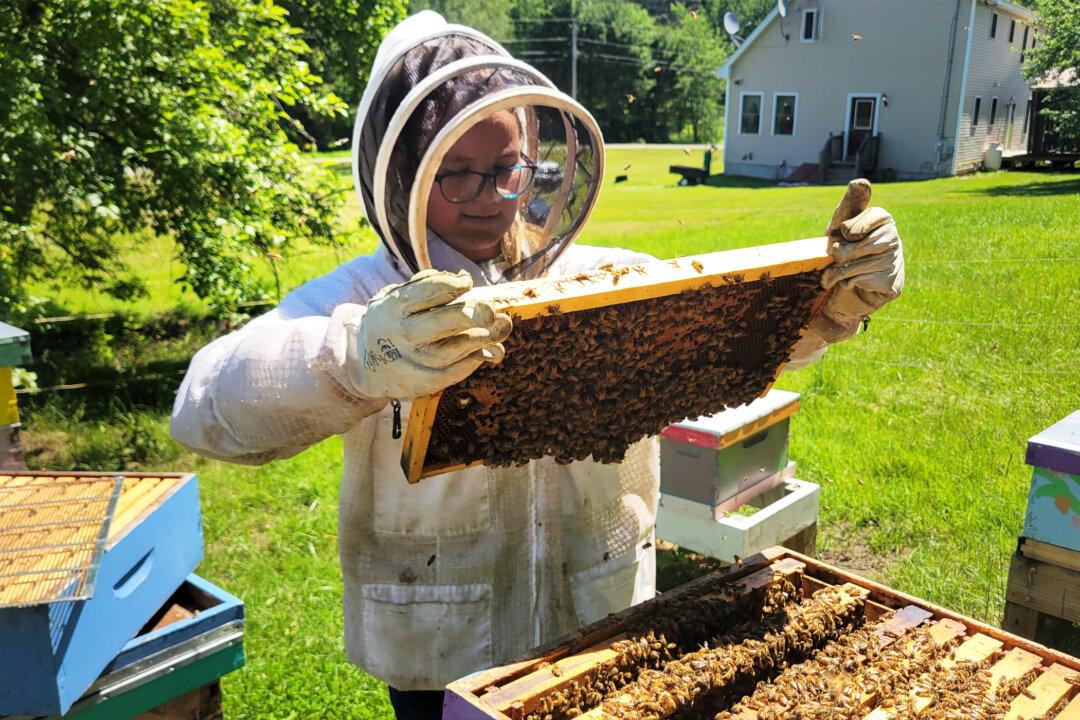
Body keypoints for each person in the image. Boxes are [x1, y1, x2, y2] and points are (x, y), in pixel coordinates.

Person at [170, 11, 904, 720]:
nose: (489, 198)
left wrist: (830, 303)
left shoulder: (600, 277)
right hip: (440, 646)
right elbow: (205, 408)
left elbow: (727, 350)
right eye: (455, 174)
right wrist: (360, 355)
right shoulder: (363, 298)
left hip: (600, 610)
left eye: (507, 169)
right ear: (401, 173)